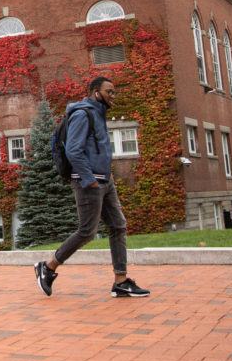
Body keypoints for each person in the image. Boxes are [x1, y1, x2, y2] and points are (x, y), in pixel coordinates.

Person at [35, 76, 150, 298]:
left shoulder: (98, 113)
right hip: (88, 182)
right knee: (87, 231)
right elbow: (74, 151)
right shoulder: (82, 114)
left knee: (118, 226)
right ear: (95, 92)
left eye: (114, 91)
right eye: (109, 91)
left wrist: (106, 177)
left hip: (104, 181)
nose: (113, 96)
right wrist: (90, 179)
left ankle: (121, 281)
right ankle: (47, 268)